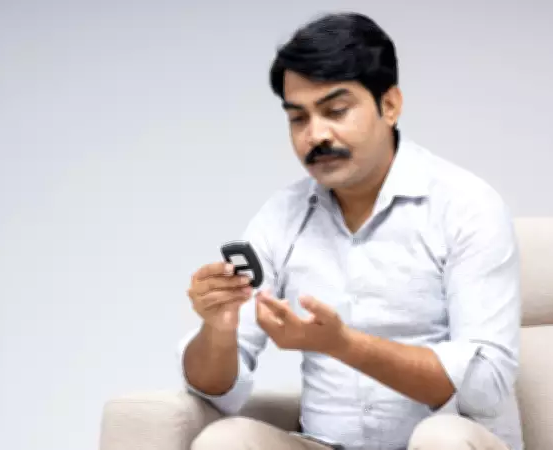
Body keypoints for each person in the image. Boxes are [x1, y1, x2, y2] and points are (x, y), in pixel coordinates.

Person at [178, 11, 523, 450]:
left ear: (390, 105)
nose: (315, 135)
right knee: (224, 440)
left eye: (336, 111)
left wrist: (344, 345)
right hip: (326, 444)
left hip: (447, 442)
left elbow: (485, 386)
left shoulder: (466, 206)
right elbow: (214, 390)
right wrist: (218, 330)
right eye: (298, 118)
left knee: (443, 438)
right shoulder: (282, 216)